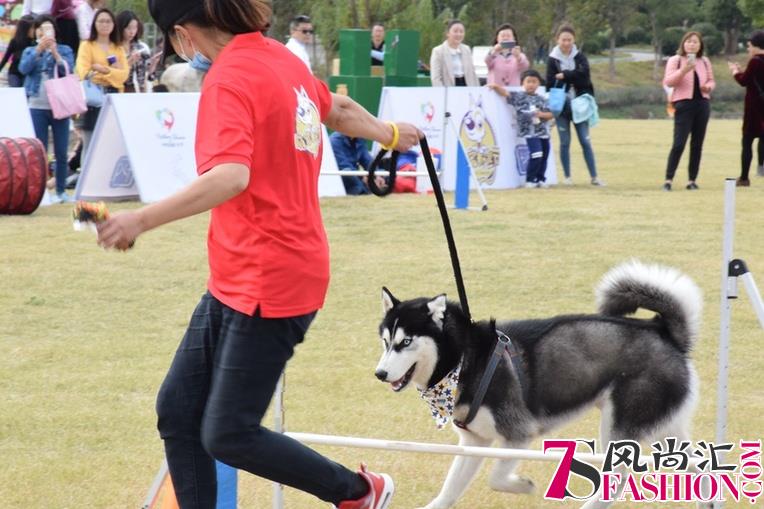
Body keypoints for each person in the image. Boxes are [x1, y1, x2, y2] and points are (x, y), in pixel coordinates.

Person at [96, 1, 421, 509]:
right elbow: (334, 108)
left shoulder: (226, 81)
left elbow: (230, 175)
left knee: (228, 433)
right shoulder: (279, 56)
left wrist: (139, 220)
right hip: (239, 274)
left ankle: (359, 492)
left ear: (182, 35)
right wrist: (391, 134)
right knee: (179, 410)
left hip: (271, 280)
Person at [18, 14, 75, 203]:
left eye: (50, 28)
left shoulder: (65, 49)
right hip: (37, 105)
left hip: (60, 105)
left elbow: (69, 69)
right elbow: (23, 69)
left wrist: (55, 53)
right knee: (38, 150)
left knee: (60, 150)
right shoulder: (29, 50)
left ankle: (60, 190)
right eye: (42, 29)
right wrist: (38, 51)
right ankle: (40, 191)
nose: (46, 32)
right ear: (37, 32)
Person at [545, 25, 603, 186]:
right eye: (563, 39)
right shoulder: (552, 59)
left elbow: (585, 77)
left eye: (569, 39)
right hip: (561, 106)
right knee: (564, 142)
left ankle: (594, 176)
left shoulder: (580, 57)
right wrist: (571, 77)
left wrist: (565, 75)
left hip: (580, 105)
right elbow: (549, 82)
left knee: (585, 141)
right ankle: (567, 177)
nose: (566, 43)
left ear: (574, 40)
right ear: (558, 40)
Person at [662, 31, 715, 191]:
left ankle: (692, 180)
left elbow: (711, 80)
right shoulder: (675, 60)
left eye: (695, 42)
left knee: (697, 144)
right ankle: (668, 179)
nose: (692, 44)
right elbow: (669, 81)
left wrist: (708, 87)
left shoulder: (704, 61)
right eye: (689, 41)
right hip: (683, 104)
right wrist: (684, 70)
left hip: (702, 104)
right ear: (683, 44)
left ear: (700, 46)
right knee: (679, 143)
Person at [75, 7, 128, 160]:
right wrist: (112, 72)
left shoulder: (118, 48)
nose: (105, 24)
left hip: (114, 96)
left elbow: (123, 75)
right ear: (95, 24)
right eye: (101, 21)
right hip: (93, 97)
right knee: (89, 143)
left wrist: (103, 70)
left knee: (111, 141)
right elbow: (84, 71)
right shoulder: (87, 45)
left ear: (113, 25)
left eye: (108, 21)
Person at [489, 69, 553, 187]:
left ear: (538, 84)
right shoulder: (519, 97)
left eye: (534, 82)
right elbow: (505, 93)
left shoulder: (542, 99)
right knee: (536, 154)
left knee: (544, 156)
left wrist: (541, 115)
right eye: (528, 81)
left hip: (543, 132)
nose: (531, 84)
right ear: (523, 83)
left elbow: (550, 114)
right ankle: (530, 179)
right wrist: (495, 86)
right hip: (529, 132)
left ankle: (540, 179)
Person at [729, 29, 764, 187]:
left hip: (754, 108)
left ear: (756, 46)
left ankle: (744, 178)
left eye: (749, 45)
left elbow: (744, 81)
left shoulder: (755, 61)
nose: (748, 49)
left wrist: (735, 72)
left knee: (747, 142)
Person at [429, 19, 479, 87]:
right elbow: (436, 78)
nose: (459, 34)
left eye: (461, 32)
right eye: (455, 31)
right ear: (448, 33)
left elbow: (472, 73)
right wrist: (441, 94)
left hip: (467, 87)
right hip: (448, 89)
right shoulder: (438, 51)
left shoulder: (467, 49)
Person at [117, 10, 151, 93]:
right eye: (128, 28)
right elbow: (114, 74)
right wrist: (130, 62)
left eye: (135, 28)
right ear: (120, 27)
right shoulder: (114, 48)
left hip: (140, 90)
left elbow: (148, 76)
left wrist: (153, 66)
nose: (132, 32)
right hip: (120, 90)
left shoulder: (142, 47)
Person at [0, 15, 35, 88]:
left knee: (25, 94)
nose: (34, 30)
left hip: (28, 74)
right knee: (15, 92)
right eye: (32, 28)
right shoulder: (15, 41)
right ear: (25, 29)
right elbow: (6, 57)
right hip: (14, 73)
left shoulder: (34, 43)